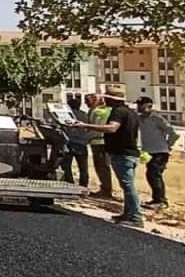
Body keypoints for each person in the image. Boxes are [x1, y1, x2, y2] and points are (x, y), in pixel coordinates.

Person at [76, 84, 143, 227]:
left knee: (128, 185)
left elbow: (112, 128)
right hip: (130, 152)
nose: (105, 101)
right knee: (126, 185)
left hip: (122, 153)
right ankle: (128, 213)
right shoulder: (131, 113)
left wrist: (85, 126)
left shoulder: (117, 112)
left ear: (113, 99)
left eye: (107, 98)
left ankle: (136, 217)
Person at [137, 96, 179, 208]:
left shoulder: (157, 118)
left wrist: (168, 145)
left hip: (160, 151)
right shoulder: (140, 119)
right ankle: (156, 199)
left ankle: (160, 201)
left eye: (140, 105)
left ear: (148, 106)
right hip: (149, 152)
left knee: (154, 175)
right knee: (151, 175)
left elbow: (173, 134)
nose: (138, 107)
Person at [85, 93, 114, 199]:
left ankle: (106, 190)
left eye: (89, 100)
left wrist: (85, 138)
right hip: (99, 142)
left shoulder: (99, 112)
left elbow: (97, 129)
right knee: (102, 167)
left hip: (100, 143)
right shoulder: (103, 110)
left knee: (102, 167)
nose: (86, 103)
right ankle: (105, 189)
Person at [60, 94, 92, 188]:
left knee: (66, 166)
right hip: (82, 143)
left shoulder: (66, 115)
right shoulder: (84, 115)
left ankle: (70, 185)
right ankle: (83, 186)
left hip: (69, 143)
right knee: (83, 168)